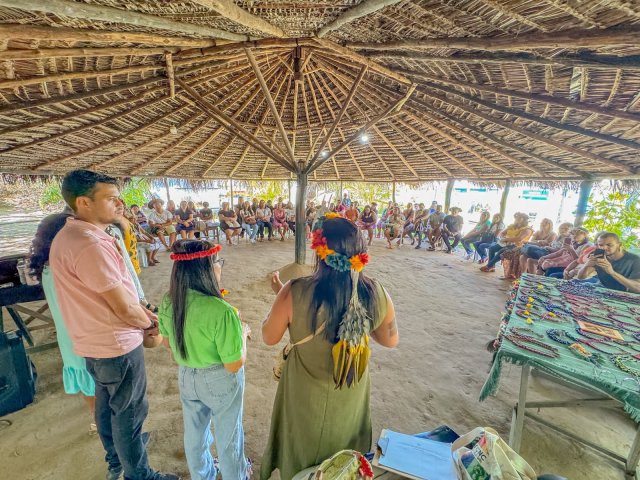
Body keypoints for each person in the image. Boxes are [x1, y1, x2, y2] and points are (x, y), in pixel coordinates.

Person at [49, 170, 176, 480]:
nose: (120, 204)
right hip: (115, 344)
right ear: (84, 203)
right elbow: (122, 307)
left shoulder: (69, 235)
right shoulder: (90, 244)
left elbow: (114, 295)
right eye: (111, 198)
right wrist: (150, 322)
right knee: (129, 412)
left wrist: (142, 312)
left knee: (107, 406)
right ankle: (139, 474)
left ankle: (117, 459)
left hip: (92, 341)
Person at [260, 217, 398, 480]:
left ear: (319, 250)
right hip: (349, 387)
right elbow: (390, 339)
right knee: (343, 451)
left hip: (304, 394)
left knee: (302, 443)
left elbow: (269, 336)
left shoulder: (294, 290)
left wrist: (280, 297)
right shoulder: (376, 292)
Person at [158, 240, 251, 480]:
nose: (220, 266)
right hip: (220, 379)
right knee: (229, 436)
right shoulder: (223, 311)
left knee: (195, 433)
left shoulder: (169, 301)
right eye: (218, 262)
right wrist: (243, 335)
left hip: (186, 376)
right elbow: (233, 364)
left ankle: (202, 475)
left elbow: (167, 343)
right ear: (206, 269)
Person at [30, 212, 97, 430]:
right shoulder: (64, 268)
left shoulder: (47, 267)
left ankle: (97, 420)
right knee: (96, 380)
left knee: (86, 380)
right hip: (83, 331)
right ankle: (105, 424)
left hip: (68, 334)